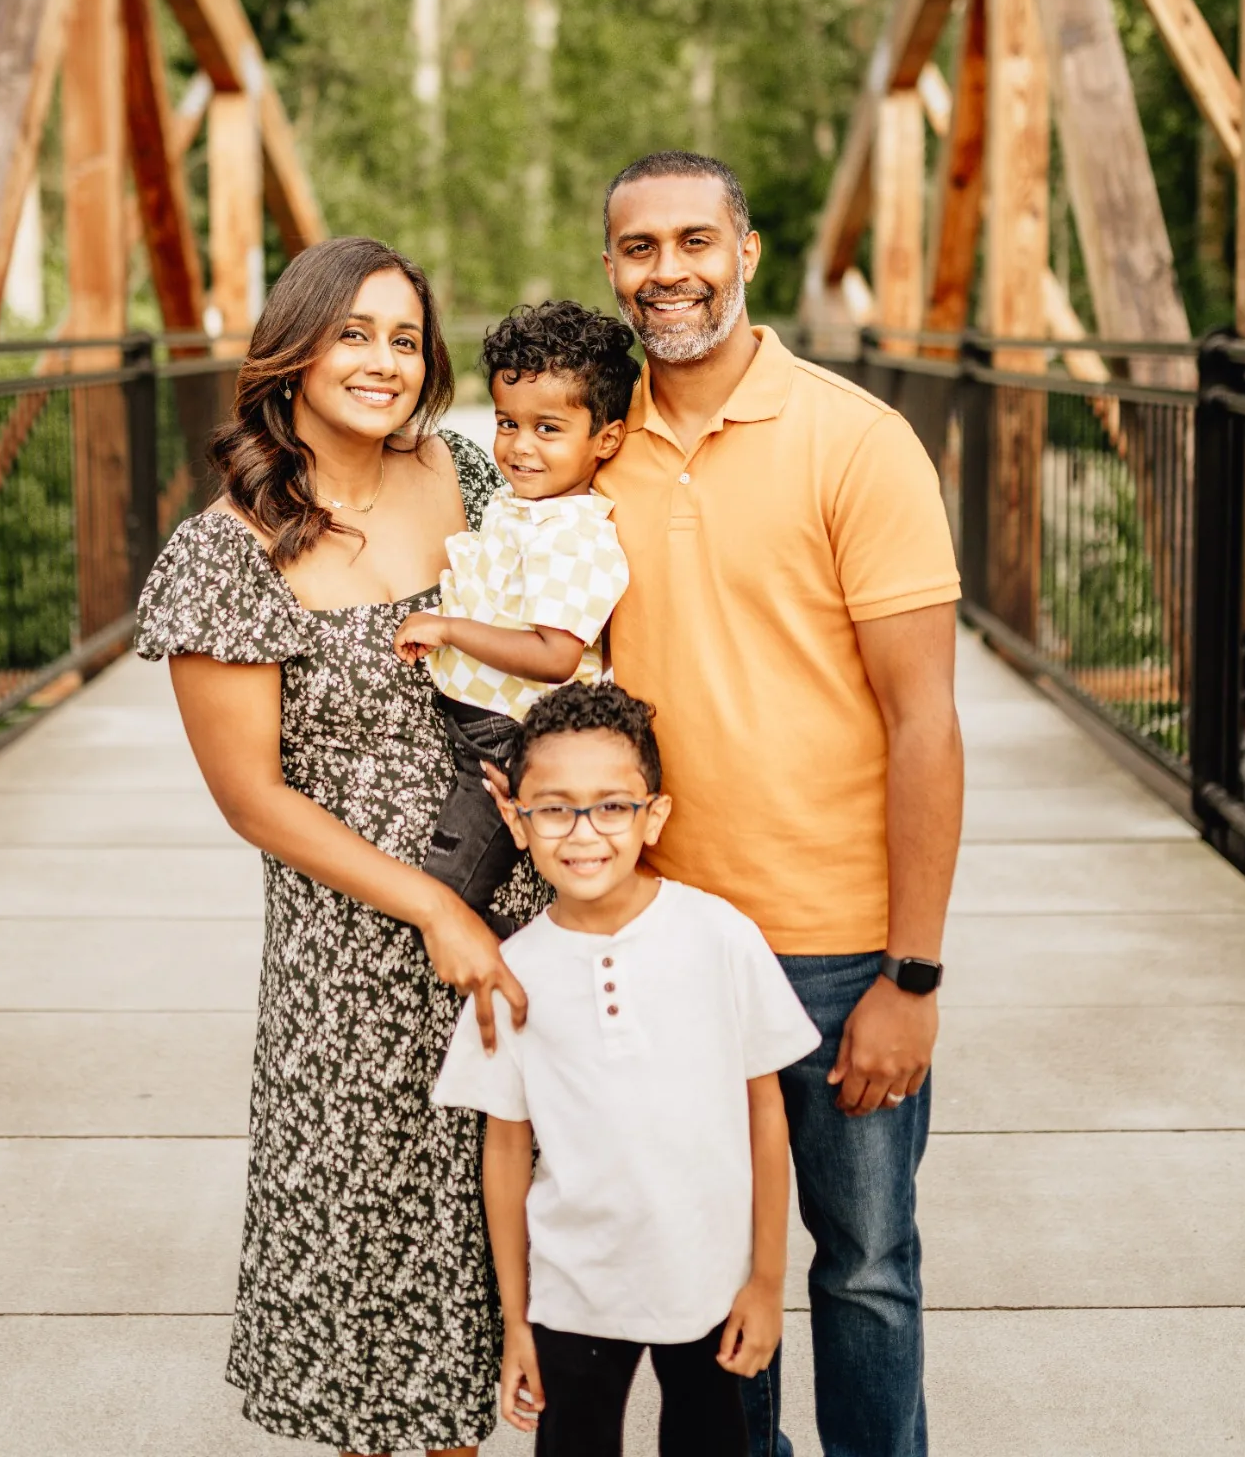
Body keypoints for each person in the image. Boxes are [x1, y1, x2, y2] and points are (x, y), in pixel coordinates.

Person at [134, 236, 542, 1457]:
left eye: (405, 337)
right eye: (353, 332)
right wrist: (431, 906)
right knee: (381, 1259)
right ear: (295, 348)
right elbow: (253, 795)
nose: (382, 359)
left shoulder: (466, 472)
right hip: (359, 949)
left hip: (516, 897)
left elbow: (556, 625)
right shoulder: (227, 547)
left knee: (507, 1232)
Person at [597, 151, 965, 1457]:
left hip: (834, 944)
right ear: (611, 272)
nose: (669, 272)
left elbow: (926, 722)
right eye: (640, 249)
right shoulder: (585, 453)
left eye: (695, 241)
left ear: (745, 254)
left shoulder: (855, 440)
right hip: (666, 938)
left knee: (863, 1263)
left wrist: (910, 975)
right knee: (711, 1275)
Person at [433, 682, 820, 1457]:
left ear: (654, 816)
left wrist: (766, 1284)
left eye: (612, 806)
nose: (584, 833)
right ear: (516, 818)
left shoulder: (718, 936)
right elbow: (504, 1148)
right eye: (554, 807)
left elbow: (764, 1111)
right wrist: (515, 1320)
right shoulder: (511, 971)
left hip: (707, 1285)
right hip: (573, 1293)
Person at [393, 300, 636, 933]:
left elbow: (556, 656)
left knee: (447, 891)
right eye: (507, 423)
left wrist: (448, 629)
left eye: (548, 429)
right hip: (477, 724)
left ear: (604, 439)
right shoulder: (525, 505)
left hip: (504, 738)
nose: (520, 447)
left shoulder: (573, 536)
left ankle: (517, 953)